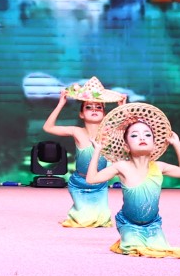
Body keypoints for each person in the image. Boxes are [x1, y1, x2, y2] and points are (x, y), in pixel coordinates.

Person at [82, 102, 180, 258]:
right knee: (133, 247)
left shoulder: (159, 166)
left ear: (154, 144)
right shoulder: (121, 166)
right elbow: (91, 179)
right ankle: (129, 236)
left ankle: (150, 235)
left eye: (147, 135)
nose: (142, 137)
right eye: (134, 135)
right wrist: (97, 150)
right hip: (129, 223)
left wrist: (177, 144)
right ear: (126, 146)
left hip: (153, 224)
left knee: (160, 248)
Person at [42, 78, 127, 227]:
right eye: (88, 107)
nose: (94, 110)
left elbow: (128, 131)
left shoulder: (109, 133)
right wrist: (61, 104)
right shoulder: (77, 132)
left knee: (101, 221)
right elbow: (48, 128)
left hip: (99, 184)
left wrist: (122, 107)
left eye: (98, 107)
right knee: (83, 220)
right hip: (79, 183)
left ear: (104, 114)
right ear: (81, 114)